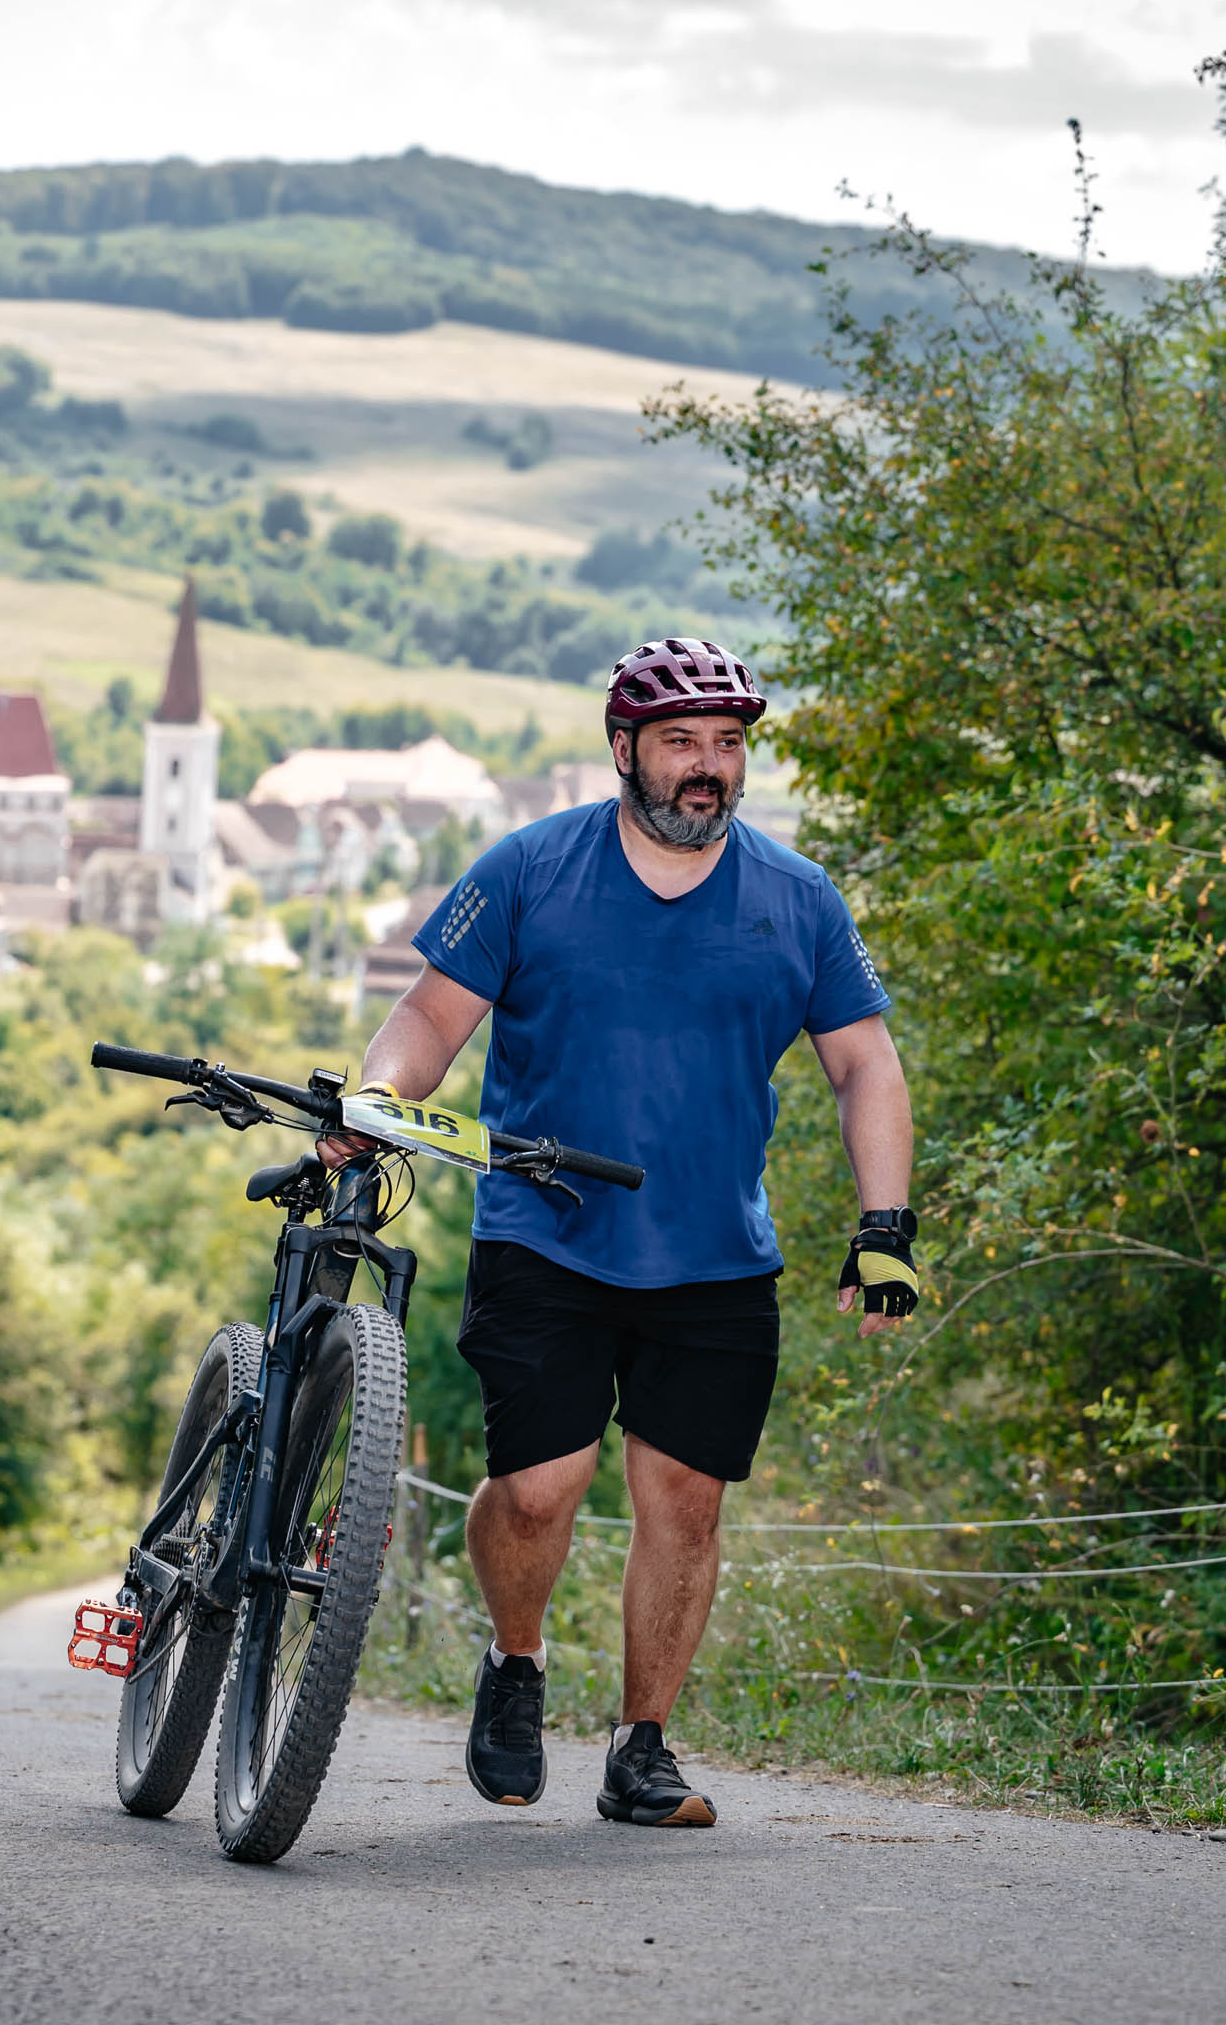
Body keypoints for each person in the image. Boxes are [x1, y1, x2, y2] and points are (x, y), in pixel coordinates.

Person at [325, 637, 918, 1827]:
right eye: (682, 741)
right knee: (538, 1489)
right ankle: (516, 1656)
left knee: (686, 1502)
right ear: (624, 750)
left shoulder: (799, 898)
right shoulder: (532, 868)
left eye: (729, 744)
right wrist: (376, 1103)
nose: (709, 766)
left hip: (716, 1251)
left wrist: (886, 1223)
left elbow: (866, 1063)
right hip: (545, 1231)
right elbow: (429, 1015)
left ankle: (642, 1744)